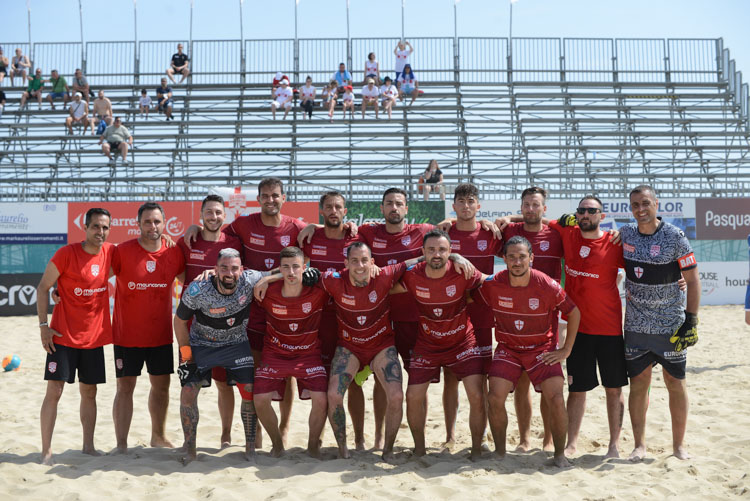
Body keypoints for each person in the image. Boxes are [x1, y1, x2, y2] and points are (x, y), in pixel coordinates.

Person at [183, 177, 308, 449]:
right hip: (249, 313)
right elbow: (214, 230)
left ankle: (284, 427)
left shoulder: (296, 226)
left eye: (275, 195)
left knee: (283, 375)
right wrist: (196, 225)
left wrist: (349, 224)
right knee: (242, 379)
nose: (270, 200)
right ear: (259, 199)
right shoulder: (243, 225)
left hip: (285, 311)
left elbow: (319, 233)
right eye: (265, 195)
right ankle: (238, 435)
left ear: (283, 198)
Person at [474, 235, 581, 467]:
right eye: (511, 257)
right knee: (494, 397)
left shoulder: (546, 284)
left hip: (541, 350)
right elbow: (471, 292)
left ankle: (559, 455)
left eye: (522, 257)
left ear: (531, 258)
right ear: (504, 259)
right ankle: (500, 453)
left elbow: (573, 313)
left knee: (555, 397)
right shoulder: (494, 283)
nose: (517, 262)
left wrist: (566, 350)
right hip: (508, 349)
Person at [621, 185, 700, 462]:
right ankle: (639, 445)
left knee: (675, 383)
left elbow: (692, 280)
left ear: (656, 203)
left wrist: (690, 320)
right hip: (636, 326)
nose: (640, 209)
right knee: (639, 384)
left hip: (670, 327)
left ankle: (678, 446)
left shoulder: (675, 236)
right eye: (635, 205)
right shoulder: (626, 234)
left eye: (645, 203)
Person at [392, 230, 487, 459]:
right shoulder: (412, 275)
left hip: (463, 342)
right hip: (428, 343)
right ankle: (420, 449)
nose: (437, 254)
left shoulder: (462, 272)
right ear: (422, 252)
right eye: (431, 250)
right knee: (413, 395)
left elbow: (490, 284)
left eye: (442, 250)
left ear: (450, 252)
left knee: (476, 394)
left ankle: (476, 449)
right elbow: (381, 286)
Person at [175, 248, 273, 463]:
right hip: (201, 345)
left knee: (249, 391)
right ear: (215, 270)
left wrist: (269, 279)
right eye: (224, 268)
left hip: (236, 344)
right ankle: (190, 450)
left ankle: (249, 450)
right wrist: (186, 354)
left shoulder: (250, 280)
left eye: (235, 268)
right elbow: (179, 321)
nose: (230, 273)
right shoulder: (197, 289)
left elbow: (283, 270)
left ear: (242, 269)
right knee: (188, 393)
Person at [314, 243, 410, 461]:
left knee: (396, 396)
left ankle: (387, 450)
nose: (360, 265)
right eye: (354, 261)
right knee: (334, 395)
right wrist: (266, 279)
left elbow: (418, 262)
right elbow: (296, 271)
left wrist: (458, 258)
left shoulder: (384, 276)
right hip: (349, 347)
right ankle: (344, 450)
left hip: (381, 346)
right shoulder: (334, 280)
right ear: (346, 263)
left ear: (372, 262)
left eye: (364, 260)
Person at [548, 196, 627, 458]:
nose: (585, 214)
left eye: (591, 211)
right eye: (581, 210)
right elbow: (531, 222)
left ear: (601, 216)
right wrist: (505, 220)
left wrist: (681, 282)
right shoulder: (568, 233)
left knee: (614, 389)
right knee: (577, 389)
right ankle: (571, 443)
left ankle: (614, 445)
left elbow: (645, 267)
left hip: (610, 329)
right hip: (577, 330)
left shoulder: (615, 243)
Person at [36, 208, 114, 465]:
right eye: (95, 227)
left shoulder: (111, 253)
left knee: (89, 393)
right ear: (85, 227)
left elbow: (144, 249)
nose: (100, 232)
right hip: (62, 336)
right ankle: (46, 451)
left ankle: (88, 446)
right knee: (54, 392)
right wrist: (43, 326)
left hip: (93, 339)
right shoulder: (66, 254)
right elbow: (43, 288)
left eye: (104, 228)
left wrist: (169, 238)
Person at [111, 202, 186, 454]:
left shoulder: (173, 253)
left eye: (156, 222)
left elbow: (190, 282)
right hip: (126, 335)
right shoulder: (122, 251)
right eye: (147, 221)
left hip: (160, 336)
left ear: (164, 224)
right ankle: (121, 443)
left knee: (162, 387)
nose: (152, 226)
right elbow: (94, 276)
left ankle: (158, 436)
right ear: (138, 223)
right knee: (125, 388)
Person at [297, 192, 368, 451]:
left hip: (351, 321)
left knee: (354, 383)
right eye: (328, 207)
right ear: (321, 211)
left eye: (338, 207)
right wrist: (312, 227)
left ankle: (359, 438)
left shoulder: (358, 238)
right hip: (318, 322)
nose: (334, 211)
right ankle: (319, 440)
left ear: (345, 211)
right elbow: (292, 265)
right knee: (325, 384)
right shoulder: (310, 237)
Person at [495, 186, 563, 452]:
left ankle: (548, 440)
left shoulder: (556, 233)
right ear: (521, 207)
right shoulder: (510, 232)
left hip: (548, 318)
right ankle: (524, 439)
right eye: (526, 205)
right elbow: (476, 226)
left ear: (544, 209)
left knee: (547, 383)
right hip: (514, 316)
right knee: (520, 380)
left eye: (536, 205)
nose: (531, 209)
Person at [176, 195, 244, 450]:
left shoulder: (235, 243)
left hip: (227, 330)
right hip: (191, 333)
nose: (213, 217)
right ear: (201, 215)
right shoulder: (188, 241)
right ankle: (188, 442)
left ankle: (225, 436)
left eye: (218, 213)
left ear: (224, 216)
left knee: (224, 385)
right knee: (189, 387)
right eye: (208, 212)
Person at [253, 246, 330, 458]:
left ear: (304, 268)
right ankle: (277, 444)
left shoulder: (318, 290)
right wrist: (267, 280)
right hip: (275, 353)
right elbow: (239, 276)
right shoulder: (266, 291)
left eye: (296, 267)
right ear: (279, 269)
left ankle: (313, 446)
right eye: (286, 268)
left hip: (308, 354)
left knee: (321, 398)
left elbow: (343, 275)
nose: (291, 272)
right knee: (259, 399)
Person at [443, 183, 504, 448]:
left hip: (481, 317)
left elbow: (525, 235)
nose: (466, 206)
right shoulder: (443, 234)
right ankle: (450, 435)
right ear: (454, 206)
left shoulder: (491, 233)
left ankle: (485, 432)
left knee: (483, 377)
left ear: (478, 206)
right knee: (450, 379)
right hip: (449, 316)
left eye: (471, 201)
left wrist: (508, 218)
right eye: (461, 201)